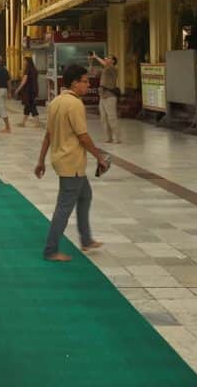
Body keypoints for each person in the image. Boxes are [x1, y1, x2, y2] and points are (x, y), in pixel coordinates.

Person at [34, 64, 109, 261]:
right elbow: (83, 136)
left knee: (85, 196)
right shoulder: (75, 104)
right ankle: (50, 250)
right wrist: (99, 157)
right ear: (75, 83)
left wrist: (41, 161)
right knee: (64, 207)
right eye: (85, 81)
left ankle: (86, 240)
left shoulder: (56, 102)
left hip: (62, 160)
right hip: (71, 162)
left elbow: (48, 135)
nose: (87, 84)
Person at [90, 52, 121, 144]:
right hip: (102, 97)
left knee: (112, 117)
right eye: (106, 57)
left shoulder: (113, 69)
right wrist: (91, 62)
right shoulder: (104, 70)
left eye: (109, 58)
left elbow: (104, 63)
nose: (106, 59)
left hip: (110, 96)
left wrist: (96, 57)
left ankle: (117, 138)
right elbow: (92, 72)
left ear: (113, 61)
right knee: (104, 118)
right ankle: (109, 137)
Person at [15, 56, 40, 127]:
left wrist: (18, 89)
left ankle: (37, 123)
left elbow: (24, 81)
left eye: (24, 61)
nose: (23, 62)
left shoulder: (27, 70)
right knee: (27, 106)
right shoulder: (34, 70)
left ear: (27, 61)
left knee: (31, 106)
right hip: (33, 90)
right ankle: (23, 122)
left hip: (28, 91)